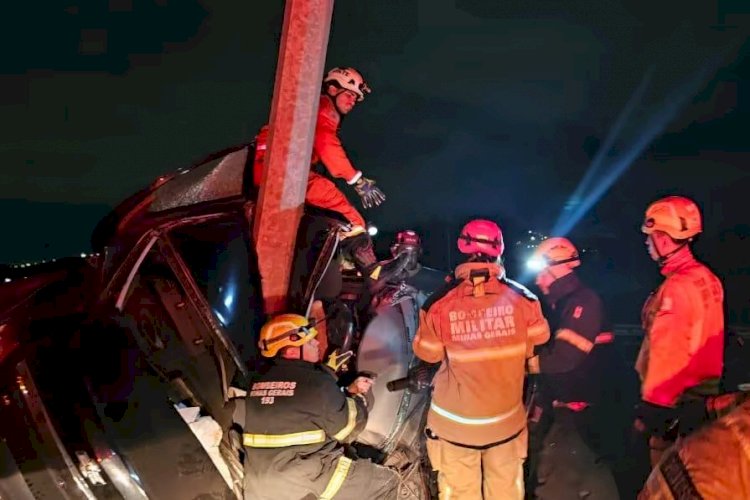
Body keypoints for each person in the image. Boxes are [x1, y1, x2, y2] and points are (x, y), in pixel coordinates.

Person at [413, 219, 551, 500]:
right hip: (506, 426)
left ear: (461, 247)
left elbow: (427, 354)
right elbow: (539, 342)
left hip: (455, 430)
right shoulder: (525, 300)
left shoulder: (438, 303)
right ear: (499, 249)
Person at [253, 67, 393, 287]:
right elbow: (326, 142)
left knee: (321, 220)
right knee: (348, 215)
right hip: (283, 170)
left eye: (356, 98)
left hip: (278, 169)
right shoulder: (324, 107)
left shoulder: (314, 107)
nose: (353, 101)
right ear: (332, 88)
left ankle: (344, 264)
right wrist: (356, 179)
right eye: (349, 94)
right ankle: (369, 270)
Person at [243, 314, 399, 500]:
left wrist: (329, 375)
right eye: (310, 342)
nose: (317, 344)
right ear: (292, 351)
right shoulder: (316, 382)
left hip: (260, 488)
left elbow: (302, 403)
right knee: (387, 482)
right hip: (307, 480)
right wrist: (358, 395)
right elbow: (348, 429)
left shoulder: (256, 382)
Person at [525, 237, 623, 498]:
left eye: (540, 274)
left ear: (555, 268)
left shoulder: (582, 303)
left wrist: (519, 363)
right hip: (576, 413)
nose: (537, 281)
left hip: (580, 417)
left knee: (557, 484)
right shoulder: (566, 304)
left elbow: (563, 358)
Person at [634, 195, 724, 469]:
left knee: (666, 480)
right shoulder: (706, 277)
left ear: (663, 239)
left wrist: (651, 414)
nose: (647, 242)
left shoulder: (676, 288)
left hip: (676, 411)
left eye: (650, 236)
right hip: (702, 402)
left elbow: (667, 354)